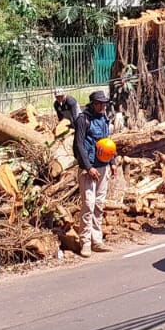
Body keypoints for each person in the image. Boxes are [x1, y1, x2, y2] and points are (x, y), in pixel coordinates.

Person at [75, 89, 114, 257]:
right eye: (100, 103)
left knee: (99, 205)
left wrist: (113, 162)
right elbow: (79, 145)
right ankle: (85, 242)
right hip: (88, 170)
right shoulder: (83, 120)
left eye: (104, 103)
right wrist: (88, 167)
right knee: (88, 205)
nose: (103, 106)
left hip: (103, 167)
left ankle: (97, 241)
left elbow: (107, 142)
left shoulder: (104, 119)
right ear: (93, 104)